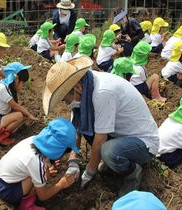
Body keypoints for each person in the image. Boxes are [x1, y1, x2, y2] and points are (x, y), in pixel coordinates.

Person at [42, 56, 159, 196]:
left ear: (77, 87)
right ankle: (114, 161)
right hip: (120, 135)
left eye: (65, 98)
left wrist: (89, 172)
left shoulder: (102, 92)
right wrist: (73, 160)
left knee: (107, 150)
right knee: (90, 132)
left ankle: (133, 174)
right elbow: (77, 129)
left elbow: (100, 138)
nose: (67, 103)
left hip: (142, 143)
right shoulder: (86, 86)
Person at [0, 118, 78, 209]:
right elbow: (43, 196)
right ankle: (27, 204)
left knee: (41, 173)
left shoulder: (33, 139)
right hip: (8, 191)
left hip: (0, 175)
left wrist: (44, 172)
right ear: (58, 149)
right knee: (39, 178)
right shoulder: (37, 163)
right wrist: (61, 184)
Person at [0, 62, 38, 145]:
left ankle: (3, 133)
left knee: (22, 115)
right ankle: (0, 137)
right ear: (16, 79)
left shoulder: (8, 88)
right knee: (20, 115)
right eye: (22, 83)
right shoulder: (3, 88)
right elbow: (15, 106)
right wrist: (29, 115)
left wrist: (26, 115)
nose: (22, 86)